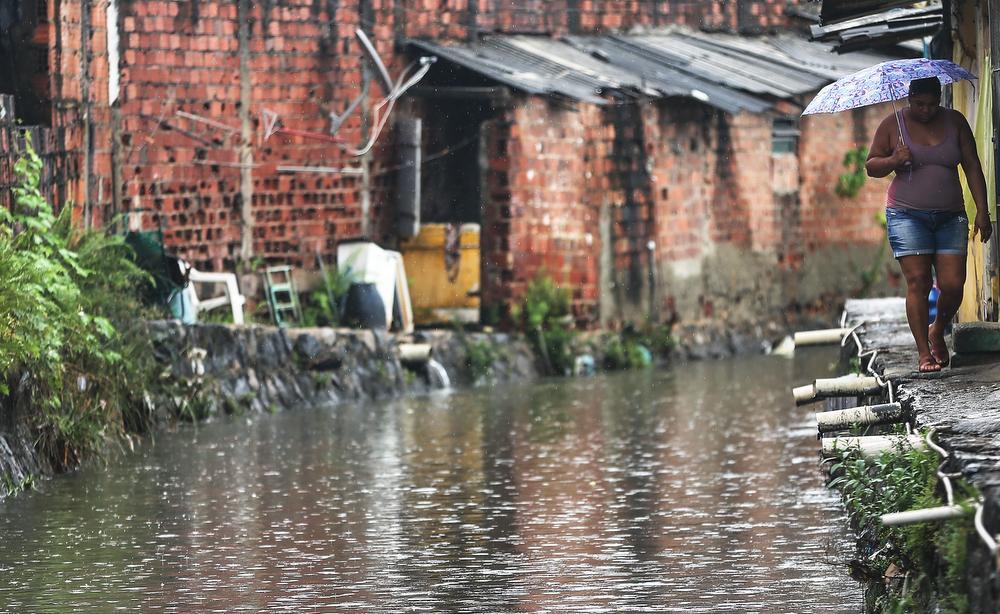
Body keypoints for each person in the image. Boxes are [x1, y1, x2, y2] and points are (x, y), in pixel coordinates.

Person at [866, 76, 992, 373]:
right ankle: (924, 353)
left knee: (953, 284)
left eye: (932, 104)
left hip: (950, 215)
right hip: (907, 215)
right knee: (919, 282)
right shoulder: (892, 124)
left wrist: (983, 210)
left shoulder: (955, 122)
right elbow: (871, 165)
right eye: (919, 104)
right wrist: (895, 159)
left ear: (940, 98)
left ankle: (938, 329)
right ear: (909, 98)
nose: (926, 110)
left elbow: (972, 165)